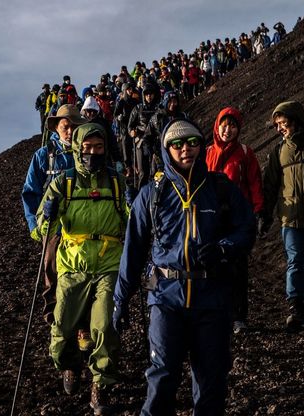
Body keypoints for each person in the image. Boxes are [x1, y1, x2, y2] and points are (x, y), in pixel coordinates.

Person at [113, 119, 256, 416]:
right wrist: (120, 299)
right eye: (177, 144)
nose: (185, 149)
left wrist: (222, 248)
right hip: (166, 298)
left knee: (210, 382)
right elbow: (134, 249)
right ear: (167, 149)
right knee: (162, 376)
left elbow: (247, 228)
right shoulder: (152, 195)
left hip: (212, 298)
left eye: (192, 142)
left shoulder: (220, 188)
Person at [36, 122, 129, 415]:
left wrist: (133, 204)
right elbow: (42, 229)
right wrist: (47, 215)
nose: (92, 153)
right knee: (61, 331)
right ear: (77, 149)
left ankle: (100, 384)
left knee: (104, 326)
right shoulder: (63, 183)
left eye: (98, 148)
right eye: (87, 148)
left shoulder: (116, 183)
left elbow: (133, 223)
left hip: (109, 264)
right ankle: (71, 365)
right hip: (73, 265)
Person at [261, 101, 304, 331]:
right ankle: (296, 308)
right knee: (295, 262)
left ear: (296, 119)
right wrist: (264, 214)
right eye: (277, 124)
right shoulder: (279, 152)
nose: (280, 128)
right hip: (290, 219)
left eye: (283, 122)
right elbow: (269, 185)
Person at [21, 104, 85, 326]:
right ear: (56, 128)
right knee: (51, 271)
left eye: (74, 127)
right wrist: (34, 227)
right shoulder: (42, 156)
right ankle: (54, 320)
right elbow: (30, 193)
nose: (70, 131)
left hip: (81, 226)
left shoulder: (88, 153)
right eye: (66, 126)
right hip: (54, 227)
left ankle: (80, 326)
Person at [206, 107, 264, 334]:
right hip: (211, 217)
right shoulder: (207, 152)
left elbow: (254, 184)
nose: (227, 130)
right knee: (212, 266)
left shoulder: (245, 153)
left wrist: (258, 211)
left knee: (238, 268)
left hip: (237, 219)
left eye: (232, 125)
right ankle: (217, 314)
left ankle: (239, 317)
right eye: (224, 124)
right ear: (217, 125)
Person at [128, 83, 158, 189]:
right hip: (141, 142)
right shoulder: (137, 108)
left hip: (155, 143)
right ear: (143, 96)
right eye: (147, 94)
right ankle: (140, 196)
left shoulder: (158, 108)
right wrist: (132, 132)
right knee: (142, 172)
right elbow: (130, 126)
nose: (149, 96)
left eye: (151, 94)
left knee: (155, 172)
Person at [113, 82, 140, 177]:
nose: (130, 91)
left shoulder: (135, 101)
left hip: (134, 127)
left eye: (131, 89)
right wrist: (119, 117)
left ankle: (136, 165)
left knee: (137, 147)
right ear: (124, 90)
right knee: (126, 148)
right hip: (124, 128)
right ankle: (128, 167)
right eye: (128, 89)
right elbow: (115, 114)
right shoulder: (121, 102)